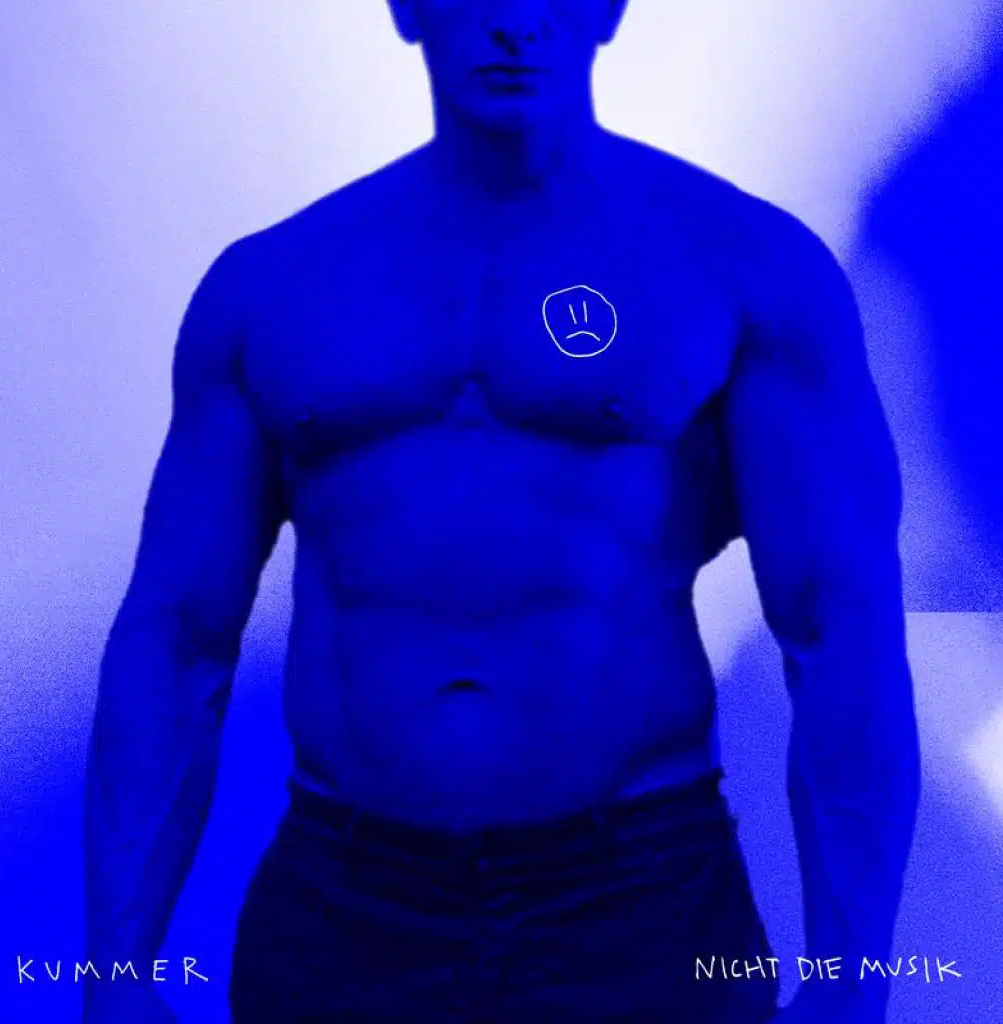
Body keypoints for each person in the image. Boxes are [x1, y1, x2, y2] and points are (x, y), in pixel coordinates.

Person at [83, 1, 922, 1021]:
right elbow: (176, 639)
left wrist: (850, 987)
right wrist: (116, 971)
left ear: (609, 8)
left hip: (639, 903)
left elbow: (841, 631)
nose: (515, 24)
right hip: (343, 909)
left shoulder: (743, 271)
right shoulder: (273, 288)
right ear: (406, 7)